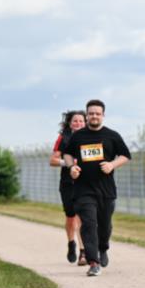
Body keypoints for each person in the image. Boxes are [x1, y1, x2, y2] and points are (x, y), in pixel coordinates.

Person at [62, 99, 130, 277]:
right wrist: (72, 168)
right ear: (87, 115)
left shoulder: (112, 135)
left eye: (97, 113)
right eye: (91, 113)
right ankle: (93, 262)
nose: (94, 116)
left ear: (103, 115)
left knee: (105, 226)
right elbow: (67, 154)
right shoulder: (78, 136)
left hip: (106, 190)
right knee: (89, 224)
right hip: (84, 189)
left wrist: (112, 165)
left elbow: (125, 155)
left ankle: (103, 248)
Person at [50, 110, 87, 264]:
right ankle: (71, 243)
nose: (78, 123)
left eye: (81, 121)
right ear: (69, 123)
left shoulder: (90, 138)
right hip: (67, 183)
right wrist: (69, 163)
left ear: (85, 123)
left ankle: (83, 252)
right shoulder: (63, 138)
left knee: (81, 218)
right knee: (71, 218)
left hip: (84, 183)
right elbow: (53, 161)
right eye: (75, 121)